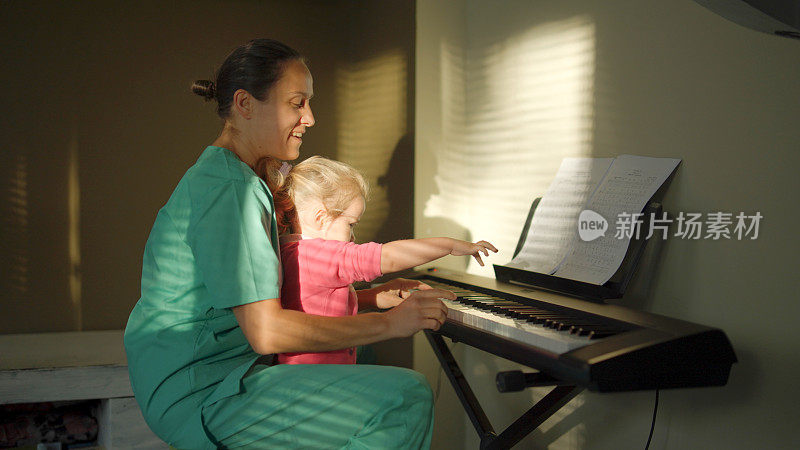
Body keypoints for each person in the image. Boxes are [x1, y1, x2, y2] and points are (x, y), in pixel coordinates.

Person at [124, 38, 454, 449]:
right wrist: (388, 325)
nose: (310, 118)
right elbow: (266, 330)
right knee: (404, 398)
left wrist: (369, 300)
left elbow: (273, 297)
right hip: (200, 390)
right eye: (297, 103)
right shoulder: (232, 190)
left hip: (216, 373)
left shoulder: (235, 178)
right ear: (245, 105)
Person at [269, 156, 497, 365]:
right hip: (319, 377)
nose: (354, 236)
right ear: (320, 217)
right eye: (351, 225)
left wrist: (372, 297)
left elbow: (317, 305)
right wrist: (450, 246)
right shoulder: (320, 255)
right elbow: (388, 256)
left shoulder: (291, 249)